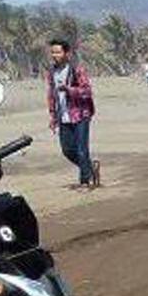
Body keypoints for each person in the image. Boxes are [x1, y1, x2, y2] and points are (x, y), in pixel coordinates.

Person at [45, 38, 99, 190]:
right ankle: (90, 168)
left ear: (66, 53)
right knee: (67, 150)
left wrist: (69, 89)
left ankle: (85, 181)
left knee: (82, 150)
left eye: (58, 52)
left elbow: (87, 91)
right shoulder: (51, 72)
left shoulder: (77, 69)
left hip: (81, 114)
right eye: (53, 52)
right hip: (63, 116)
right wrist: (53, 116)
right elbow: (51, 94)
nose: (55, 55)